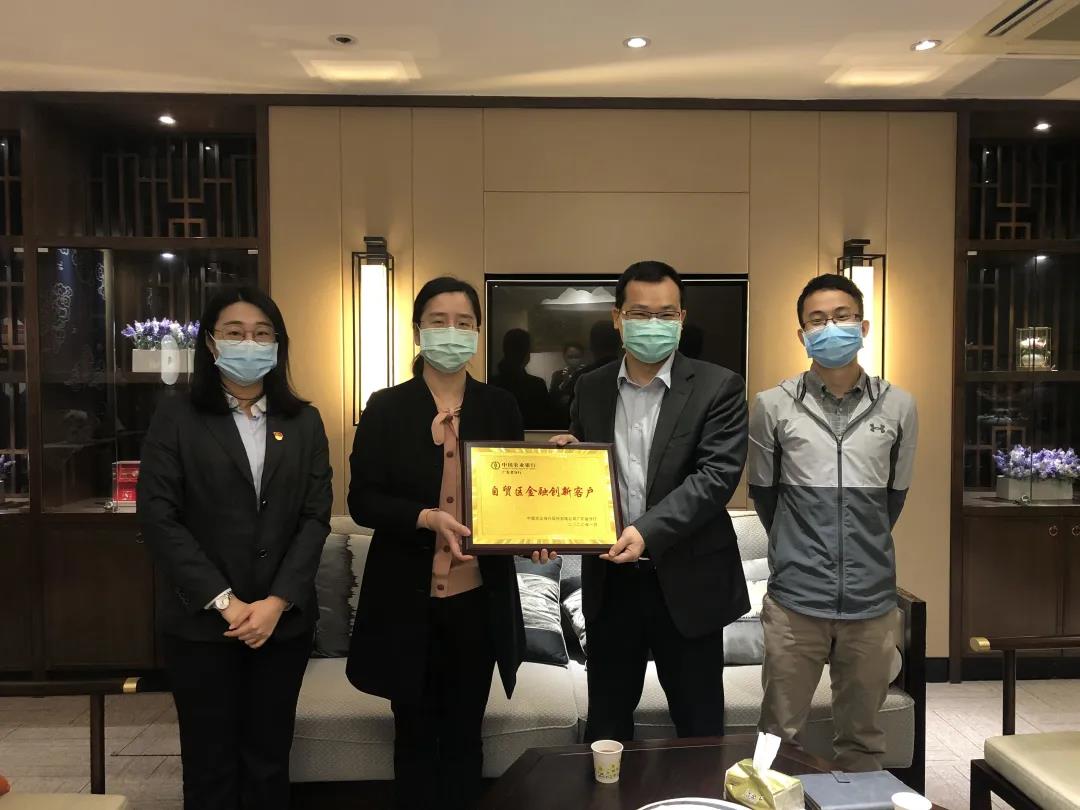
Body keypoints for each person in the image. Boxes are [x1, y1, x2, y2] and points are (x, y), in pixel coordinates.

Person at [346, 277, 554, 809]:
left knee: (465, 736)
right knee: (413, 738)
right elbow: (362, 500)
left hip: (477, 603)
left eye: (464, 322)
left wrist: (534, 535)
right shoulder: (386, 406)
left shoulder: (500, 405)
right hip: (405, 600)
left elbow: (511, 496)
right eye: (438, 321)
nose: (451, 332)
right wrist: (424, 517)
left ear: (478, 333)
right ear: (418, 330)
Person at [138, 287, 333, 810]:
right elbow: (159, 517)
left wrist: (276, 603)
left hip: (281, 626)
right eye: (235, 332)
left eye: (262, 333)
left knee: (269, 762)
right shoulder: (177, 418)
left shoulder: (304, 421)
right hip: (201, 626)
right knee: (210, 766)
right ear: (210, 342)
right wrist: (225, 602)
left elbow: (315, 517)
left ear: (278, 344)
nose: (250, 342)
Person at [553, 260, 749, 742]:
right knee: (607, 726)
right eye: (640, 313)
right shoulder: (591, 386)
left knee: (699, 729)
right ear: (617, 319)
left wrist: (646, 532)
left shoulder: (719, 386)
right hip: (611, 583)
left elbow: (715, 478)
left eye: (666, 314)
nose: (653, 324)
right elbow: (590, 466)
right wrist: (566, 462)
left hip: (688, 581)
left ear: (682, 319)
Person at [748, 274, 918, 772]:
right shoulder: (772, 405)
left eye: (842, 317)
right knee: (777, 737)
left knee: (863, 739)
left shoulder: (899, 405)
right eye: (817, 320)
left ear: (863, 326)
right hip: (796, 598)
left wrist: (860, 547)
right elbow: (765, 496)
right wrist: (800, 549)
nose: (830, 327)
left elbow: (893, 499)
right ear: (801, 334)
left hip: (871, 599)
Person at [489, 327, 551, 430]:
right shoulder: (536, 386)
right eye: (529, 350)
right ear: (525, 353)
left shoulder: (491, 383)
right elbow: (546, 421)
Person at [549, 341, 585, 426]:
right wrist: (564, 383)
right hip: (562, 418)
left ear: (582, 357)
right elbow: (551, 398)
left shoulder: (587, 374)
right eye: (570, 357)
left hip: (582, 417)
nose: (573, 359)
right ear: (564, 357)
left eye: (577, 356)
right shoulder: (558, 375)